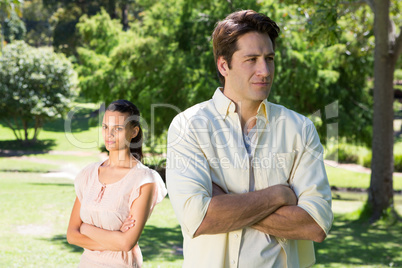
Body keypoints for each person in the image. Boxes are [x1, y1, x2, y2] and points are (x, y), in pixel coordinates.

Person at [166, 10, 333, 268]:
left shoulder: (300, 128)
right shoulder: (189, 126)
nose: (264, 70)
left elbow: (315, 225)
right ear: (224, 65)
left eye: (269, 58)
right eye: (251, 59)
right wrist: (279, 195)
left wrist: (224, 203)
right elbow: (198, 220)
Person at [67, 100, 167, 267]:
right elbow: (71, 234)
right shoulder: (88, 174)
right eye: (105, 127)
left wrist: (86, 228)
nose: (109, 134)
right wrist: (114, 240)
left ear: (133, 132)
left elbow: (126, 243)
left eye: (118, 128)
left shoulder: (144, 179)